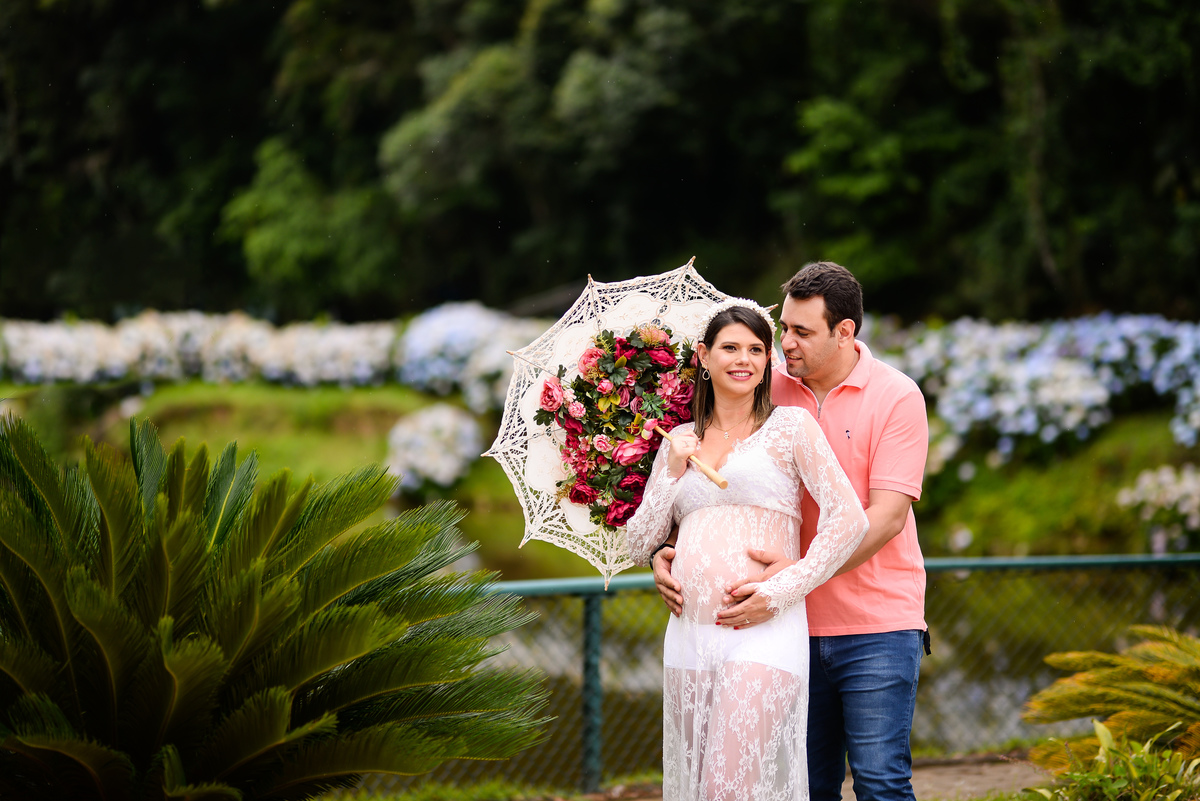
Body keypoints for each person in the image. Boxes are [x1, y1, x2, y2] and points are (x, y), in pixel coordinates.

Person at [651, 263, 930, 801]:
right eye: (784, 329)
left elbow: (888, 515)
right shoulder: (766, 385)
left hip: (875, 621)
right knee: (807, 783)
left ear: (844, 332)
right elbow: (712, 485)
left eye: (802, 332)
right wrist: (669, 551)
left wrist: (794, 579)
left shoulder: (897, 396)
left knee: (880, 778)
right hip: (780, 627)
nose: (784, 344)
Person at [625, 298, 869, 801]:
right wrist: (671, 472)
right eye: (730, 347)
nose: (744, 359)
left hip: (764, 629)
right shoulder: (679, 440)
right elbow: (637, 543)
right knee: (696, 786)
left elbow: (850, 519)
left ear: (768, 360)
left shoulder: (791, 427)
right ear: (703, 356)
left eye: (757, 349)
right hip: (690, 632)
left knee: (726, 788)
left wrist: (785, 587)